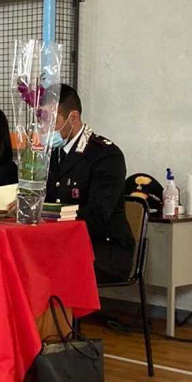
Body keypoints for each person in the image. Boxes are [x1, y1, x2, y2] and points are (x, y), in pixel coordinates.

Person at [45, 84, 135, 283]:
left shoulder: (105, 155)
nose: (45, 129)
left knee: (43, 270)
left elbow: (97, 215)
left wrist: (48, 212)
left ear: (73, 117)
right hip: (61, 243)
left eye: (51, 121)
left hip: (103, 249)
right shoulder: (51, 154)